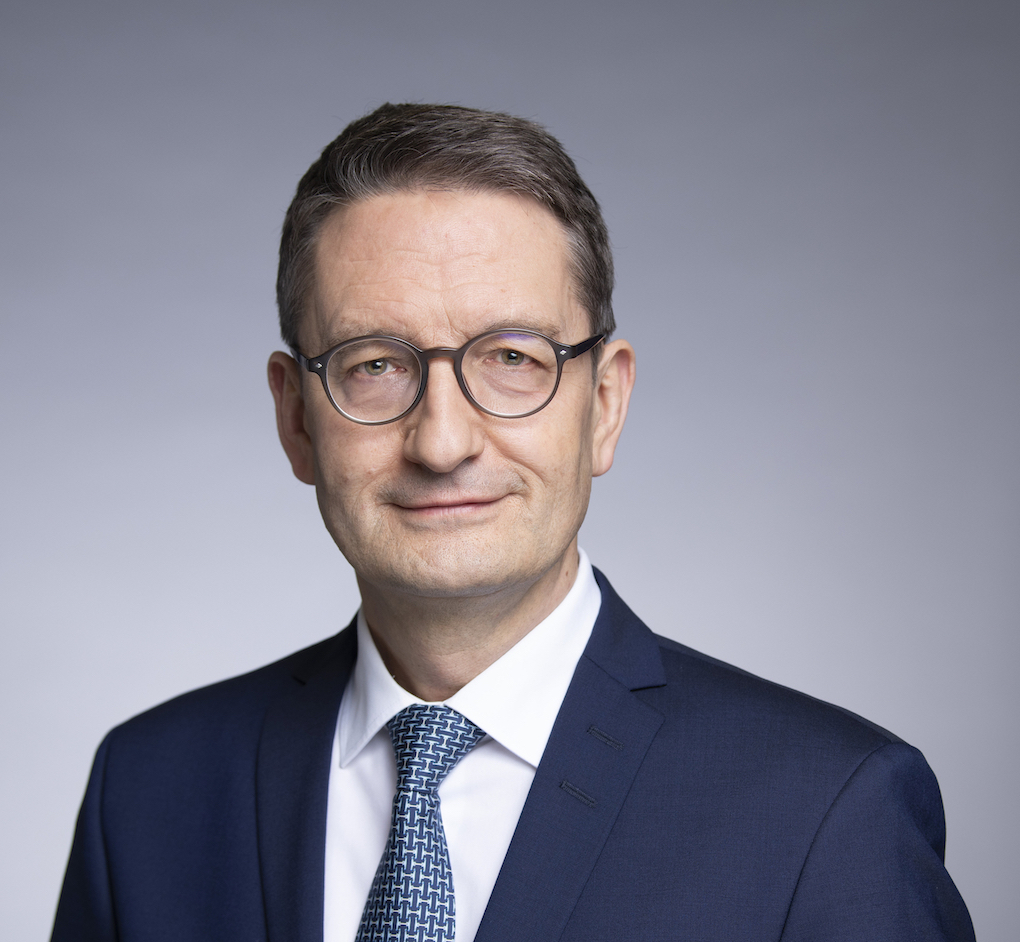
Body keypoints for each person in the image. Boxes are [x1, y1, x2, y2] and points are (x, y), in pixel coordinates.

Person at [51, 103, 974, 942]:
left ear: (604, 404)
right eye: (375, 364)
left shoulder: (826, 812)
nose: (443, 440)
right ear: (296, 418)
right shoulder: (145, 794)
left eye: (510, 358)